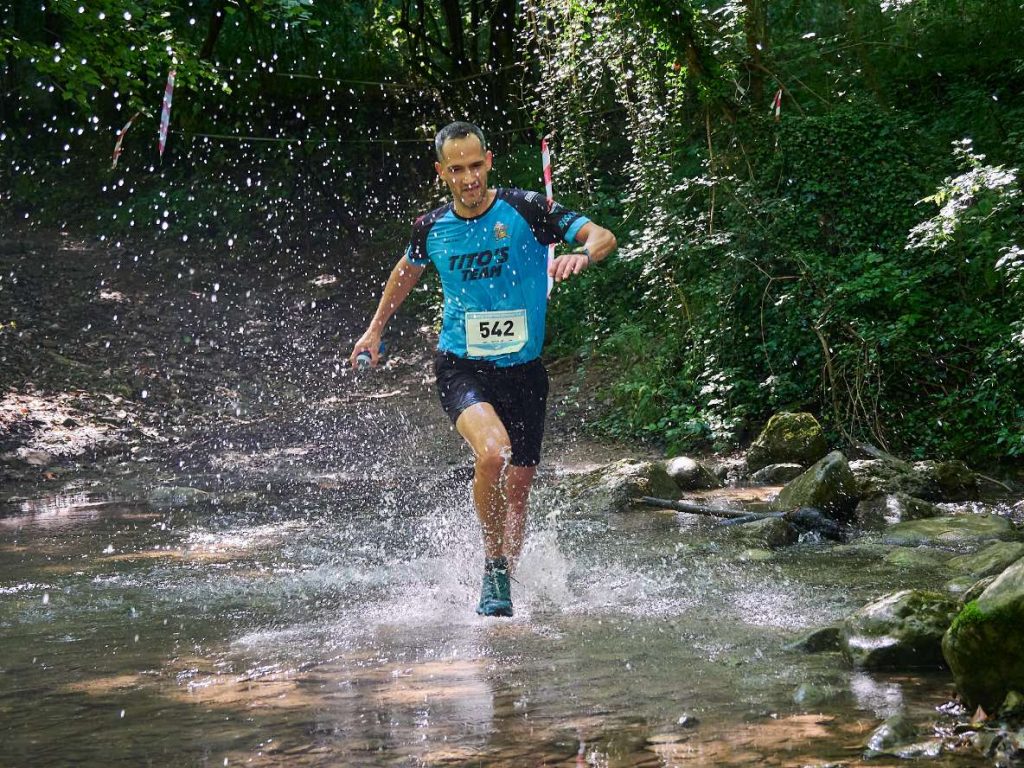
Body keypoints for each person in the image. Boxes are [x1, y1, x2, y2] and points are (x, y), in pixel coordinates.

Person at [350, 121, 616, 617]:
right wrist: (375, 329)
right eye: (457, 170)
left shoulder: (526, 208)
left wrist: (582, 254)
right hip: (462, 366)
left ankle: (506, 586)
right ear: (441, 172)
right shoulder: (431, 227)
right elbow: (406, 271)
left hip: (524, 371)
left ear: (489, 161)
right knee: (493, 453)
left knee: (519, 487)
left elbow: (602, 235)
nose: (469, 178)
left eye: (476, 166)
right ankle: (492, 569)